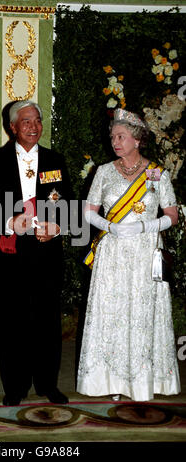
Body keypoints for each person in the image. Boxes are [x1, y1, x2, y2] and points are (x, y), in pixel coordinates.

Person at [77, 108, 180, 402]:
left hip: (146, 250)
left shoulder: (156, 173)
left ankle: (143, 381)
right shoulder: (104, 172)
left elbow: (172, 215)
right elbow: (88, 212)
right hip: (112, 252)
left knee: (142, 313)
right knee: (113, 311)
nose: (115, 142)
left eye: (121, 136)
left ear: (137, 140)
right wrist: (110, 226)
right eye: (113, 137)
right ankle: (111, 380)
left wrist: (145, 227)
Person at [0, 101, 71, 406]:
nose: (33, 126)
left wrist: (57, 227)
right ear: (12, 127)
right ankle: (15, 387)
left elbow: (68, 203)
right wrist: (8, 222)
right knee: (13, 321)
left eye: (37, 120)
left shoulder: (56, 160)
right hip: (10, 252)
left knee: (47, 320)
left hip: (46, 252)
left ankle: (48, 384)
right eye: (26, 121)